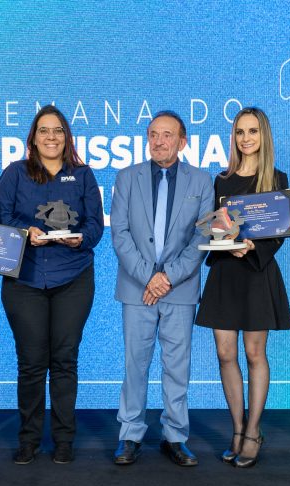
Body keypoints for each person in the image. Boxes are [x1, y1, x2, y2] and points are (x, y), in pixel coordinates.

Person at [0, 105, 104, 465]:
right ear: (33, 137)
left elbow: (95, 225)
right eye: (44, 130)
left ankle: (64, 439)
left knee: (64, 360)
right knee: (30, 362)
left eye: (58, 130)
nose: (51, 137)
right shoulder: (14, 173)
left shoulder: (83, 175)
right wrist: (24, 231)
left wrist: (80, 238)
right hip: (25, 279)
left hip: (73, 277)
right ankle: (28, 439)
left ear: (66, 137)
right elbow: (0, 218)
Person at [111, 111, 213, 467]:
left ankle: (175, 437)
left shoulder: (202, 180)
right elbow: (120, 234)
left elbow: (202, 236)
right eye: (153, 134)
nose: (158, 141)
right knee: (135, 365)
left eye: (167, 135)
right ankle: (129, 435)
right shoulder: (127, 177)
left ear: (182, 141)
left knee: (177, 367)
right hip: (137, 288)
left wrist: (167, 277)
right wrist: (148, 277)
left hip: (179, 289)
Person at [196, 107, 290, 468]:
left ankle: (253, 431)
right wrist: (225, 242)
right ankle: (237, 428)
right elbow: (211, 226)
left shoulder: (277, 178)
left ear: (263, 135)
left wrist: (252, 248)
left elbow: (280, 231)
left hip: (257, 272)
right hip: (225, 272)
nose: (246, 138)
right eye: (240, 132)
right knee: (225, 354)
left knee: (254, 354)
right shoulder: (221, 180)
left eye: (252, 131)